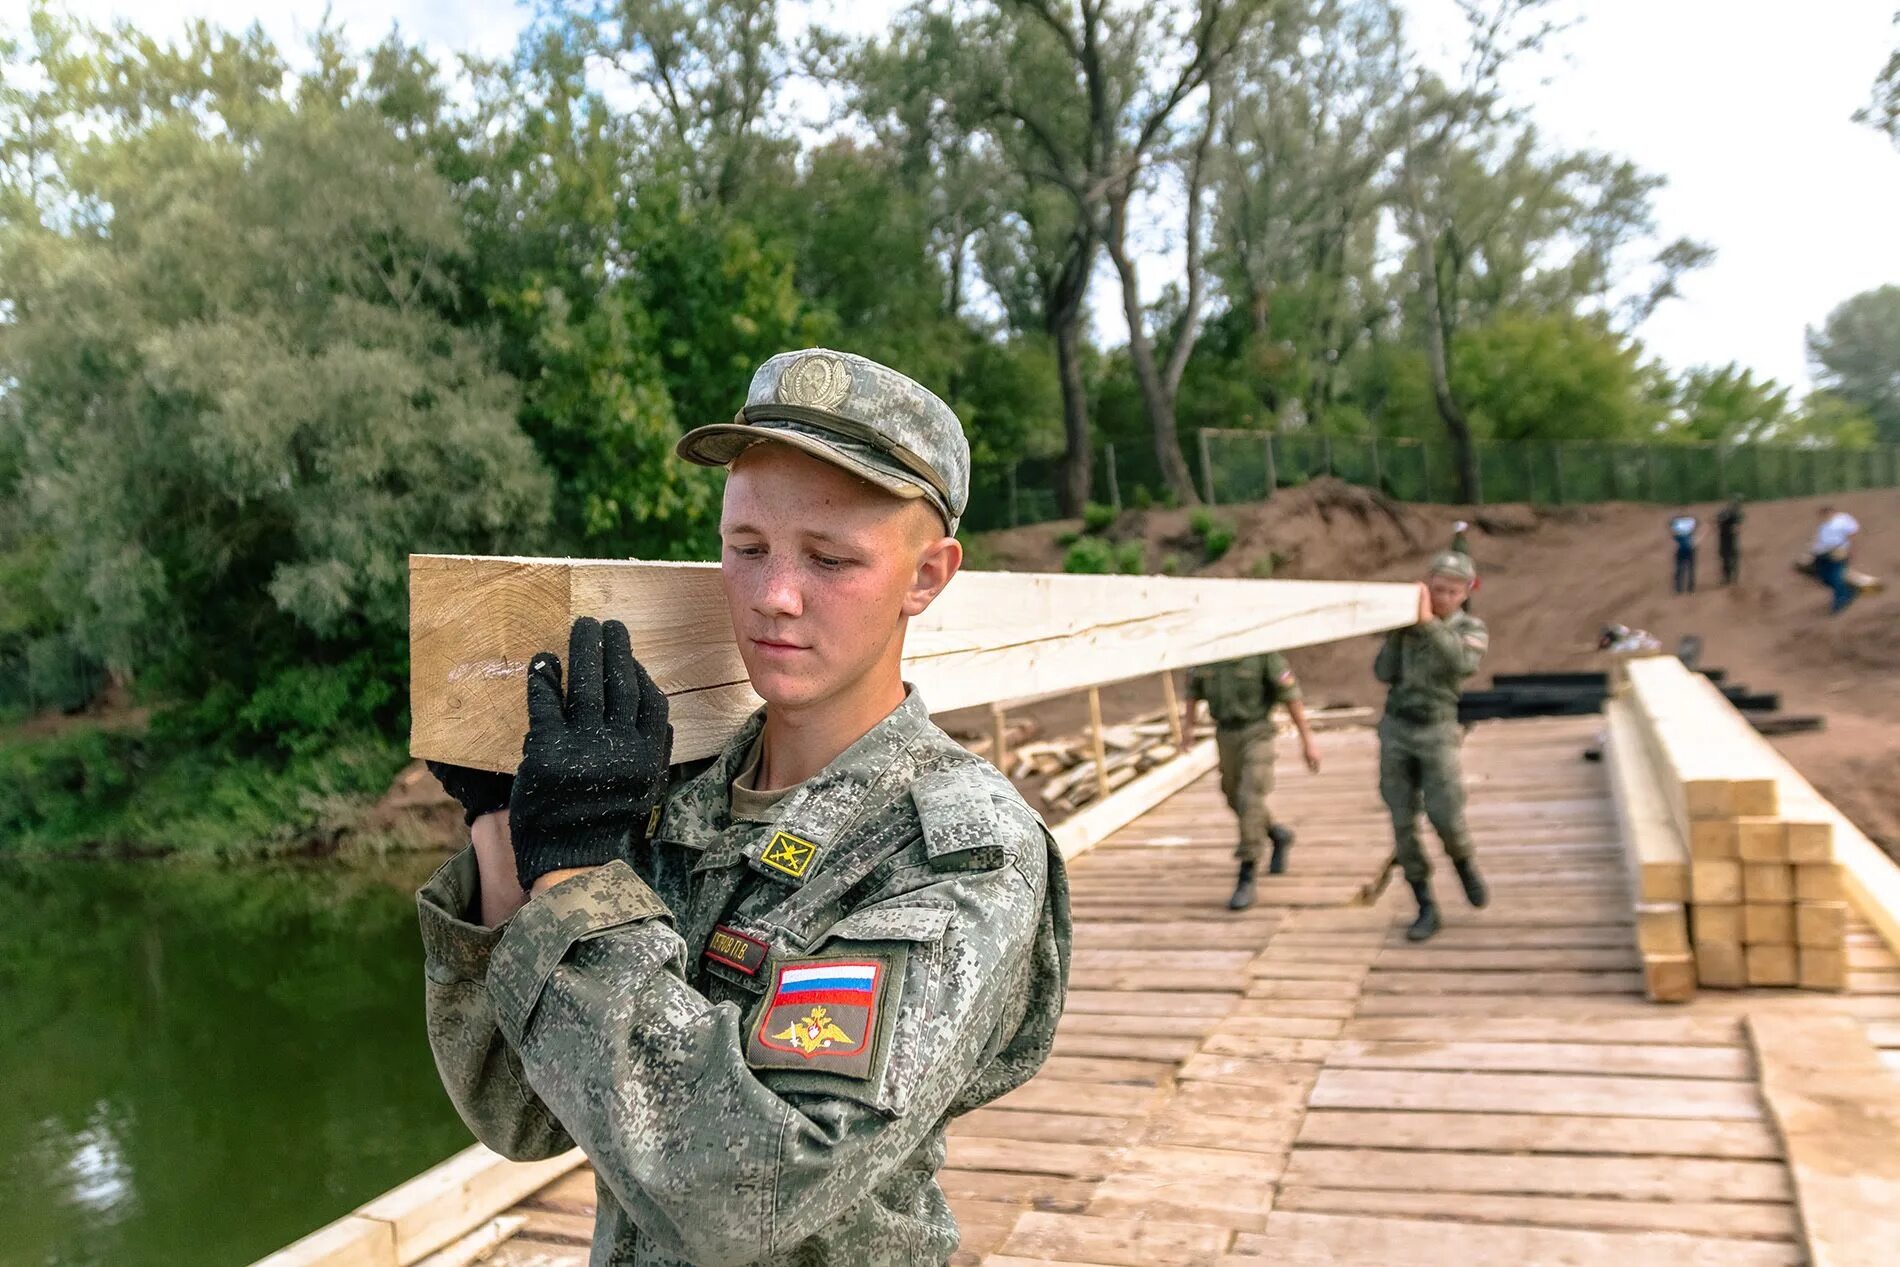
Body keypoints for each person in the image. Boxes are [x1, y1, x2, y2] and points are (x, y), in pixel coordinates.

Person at [417, 348, 1071, 1267]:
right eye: (746, 546)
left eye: (832, 559)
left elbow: (751, 1183)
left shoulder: (960, 851)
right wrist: (505, 831)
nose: (773, 596)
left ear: (926, 578)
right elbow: (520, 1110)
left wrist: (572, 878)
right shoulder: (682, 795)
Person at [1374, 551, 1489, 942]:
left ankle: (1464, 863)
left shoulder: (1469, 628)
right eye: (1436, 589)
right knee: (1402, 823)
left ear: (1465, 593)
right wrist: (1397, 631)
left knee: (1446, 815)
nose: (1442, 597)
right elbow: (1383, 672)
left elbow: (1461, 663)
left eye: (1450, 591)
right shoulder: (1407, 627)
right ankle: (1425, 904)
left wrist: (1426, 625)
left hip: (1437, 730)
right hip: (1397, 729)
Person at [1182, 654, 1322, 910]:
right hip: (1225, 734)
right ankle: (1277, 834)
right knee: (1232, 795)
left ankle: (1247, 872)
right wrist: (1188, 728)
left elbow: (1290, 694)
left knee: (1250, 797)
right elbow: (1193, 690)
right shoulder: (1208, 654)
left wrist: (1307, 740)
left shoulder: (1263, 655)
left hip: (1257, 732)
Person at [1808, 504, 1862, 614]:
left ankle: (1841, 600)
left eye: (1825, 513)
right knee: (1823, 576)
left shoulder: (1843, 520)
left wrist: (1851, 549)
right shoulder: (1823, 526)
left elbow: (1853, 532)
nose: (1824, 516)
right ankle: (1847, 591)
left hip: (1839, 551)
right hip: (1823, 554)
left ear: (1831, 512)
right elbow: (1818, 541)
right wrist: (1812, 552)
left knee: (1836, 576)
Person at [1668, 509, 1701, 594]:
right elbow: (1696, 524)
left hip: (1680, 548)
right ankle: (1690, 587)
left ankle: (1679, 588)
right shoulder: (1690, 522)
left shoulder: (1676, 523)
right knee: (1690, 568)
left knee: (1680, 568)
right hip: (1690, 547)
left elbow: (1672, 531)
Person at [1716, 498, 1745, 586]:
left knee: (1730, 558)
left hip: (1727, 539)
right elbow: (1736, 527)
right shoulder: (1729, 514)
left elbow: (1736, 527)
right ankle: (1730, 578)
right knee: (1728, 558)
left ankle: (1731, 578)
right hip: (1727, 539)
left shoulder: (1728, 514)